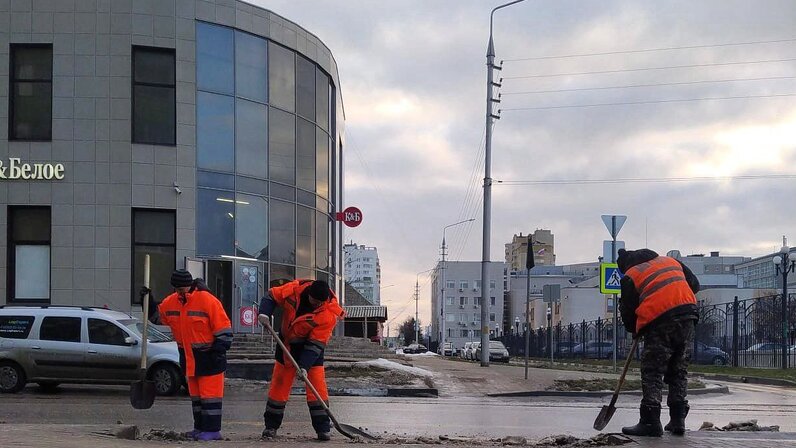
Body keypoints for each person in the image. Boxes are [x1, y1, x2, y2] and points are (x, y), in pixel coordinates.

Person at [617, 248, 700, 437]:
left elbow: (628, 311)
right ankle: (678, 419)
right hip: (688, 315)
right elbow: (694, 284)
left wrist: (634, 329)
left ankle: (650, 421)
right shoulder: (670, 262)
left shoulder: (631, 275)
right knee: (678, 369)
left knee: (653, 371)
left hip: (659, 320)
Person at [144, 270, 233, 441]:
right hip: (189, 358)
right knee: (197, 399)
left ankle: (213, 430)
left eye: (183, 289)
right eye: (177, 290)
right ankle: (199, 428)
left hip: (210, 357)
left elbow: (224, 329)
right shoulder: (172, 302)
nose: (180, 293)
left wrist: (219, 351)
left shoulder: (208, 301)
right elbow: (157, 317)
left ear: (191, 286)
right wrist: (147, 302)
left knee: (210, 398)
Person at [257, 279, 344, 441]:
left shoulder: (329, 313)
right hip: (286, 347)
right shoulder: (294, 290)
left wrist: (304, 366)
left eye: (320, 302)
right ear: (309, 294)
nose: (317, 304)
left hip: (310, 351)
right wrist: (264, 313)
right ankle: (271, 427)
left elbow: (315, 344)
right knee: (279, 387)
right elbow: (271, 296)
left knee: (317, 388)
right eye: (314, 301)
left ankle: (323, 429)